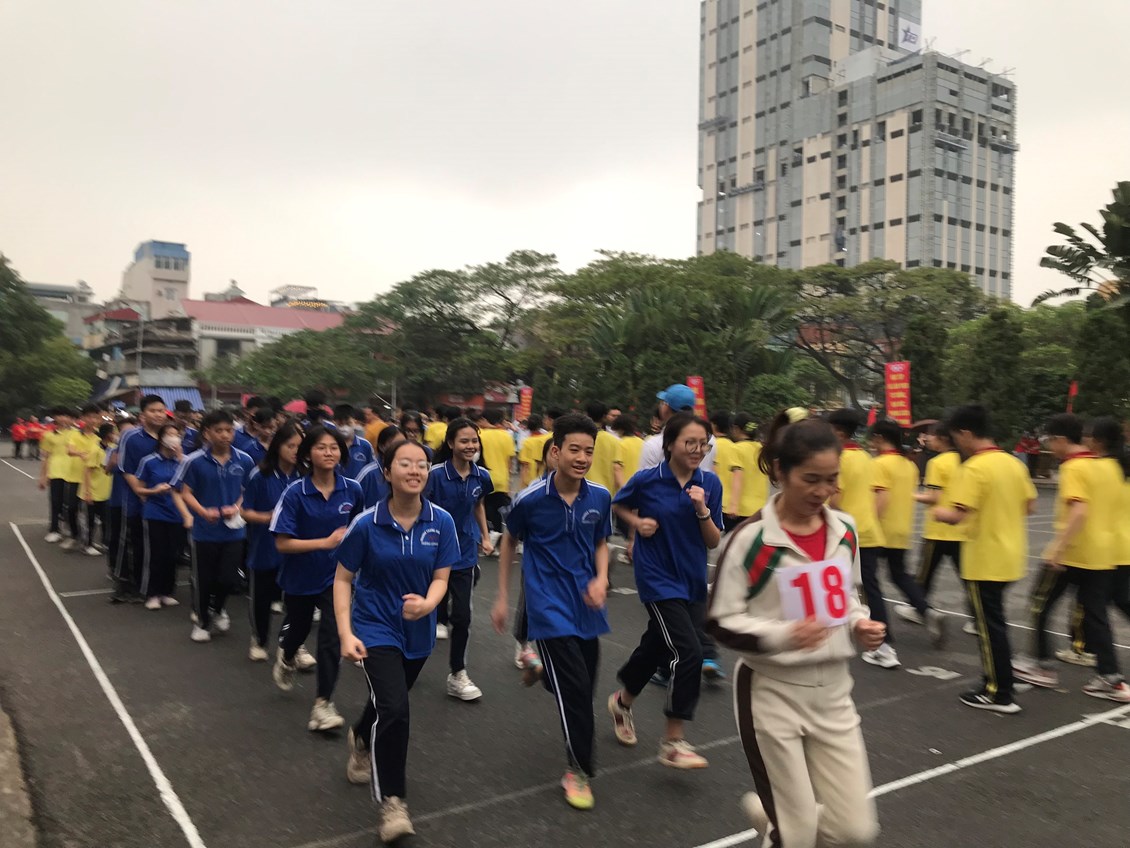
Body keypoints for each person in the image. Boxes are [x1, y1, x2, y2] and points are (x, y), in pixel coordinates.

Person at [707, 411, 884, 848]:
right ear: (781, 472)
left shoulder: (844, 530)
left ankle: (773, 821)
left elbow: (849, 595)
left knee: (855, 831)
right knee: (797, 833)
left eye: (832, 479)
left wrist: (859, 623)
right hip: (771, 693)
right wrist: (783, 635)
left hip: (835, 693)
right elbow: (720, 620)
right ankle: (783, 826)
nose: (823, 491)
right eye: (811, 479)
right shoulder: (749, 541)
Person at [333, 439, 458, 843]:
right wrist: (345, 632)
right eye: (405, 463)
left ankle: (360, 736)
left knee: (388, 701)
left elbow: (442, 577)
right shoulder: (366, 524)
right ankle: (393, 802)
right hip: (374, 627)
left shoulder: (441, 522)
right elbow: (343, 579)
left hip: (418, 629)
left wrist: (429, 604)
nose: (415, 470)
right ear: (386, 472)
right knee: (396, 708)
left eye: (422, 464)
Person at [490, 413, 612, 810]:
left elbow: (601, 542)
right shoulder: (530, 499)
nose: (582, 458)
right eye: (574, 449)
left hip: (586, 603)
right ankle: (578, 770)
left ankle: (543, 671)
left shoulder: (599, 497)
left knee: (585, 684)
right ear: (555, 452)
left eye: (588, 451)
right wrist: (503, 597)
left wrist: (602, 578)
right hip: (547, 604)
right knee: (575, 690)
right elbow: (509, 541)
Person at [607, 412, 722, 769]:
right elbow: (618, 504)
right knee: (689, 651)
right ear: (670, 444)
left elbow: (713, 540)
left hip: (691, 578)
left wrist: (702, 510)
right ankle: (673, 741)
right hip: (657, 577)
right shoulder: (647, 480)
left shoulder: (710, 483)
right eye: (690, 443)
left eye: (704, 444)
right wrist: (636, 523)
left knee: (657, 645)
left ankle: (622, 702)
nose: (698, 450)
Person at [1011, 414, 1129, 702]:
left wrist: (1058, 548)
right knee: (1095, 614)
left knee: (1039, 604)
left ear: (1061, 440)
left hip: (1074, 552)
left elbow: (1080, 510)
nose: (1049, 447)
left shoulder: (1076, 467)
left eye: (1049, 441)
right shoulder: (1112, 468)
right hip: (1102, 554)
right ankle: (1111, 678)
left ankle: (1042, 665)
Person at [934, 405, 1037, 713]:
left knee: (988, 628)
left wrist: (939, 511)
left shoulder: (975, 468)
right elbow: (1029, 506)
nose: (957, 444)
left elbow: (956, 514)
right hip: (1010, 554)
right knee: (995, 623)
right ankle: (1000, 682)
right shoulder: (1013, 463)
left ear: (966, 433)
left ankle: (998, 691)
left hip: (984, 558)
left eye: (956, 437)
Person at [270, 425, 363, 731]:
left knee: (331, 636)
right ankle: (287, 655)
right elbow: (282, 543)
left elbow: (359, 530)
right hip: (300, 575)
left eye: (334, 447)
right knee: (298, 628)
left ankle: (323, 704)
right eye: (321, 447)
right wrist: (324, 542)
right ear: (307, 454)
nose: (328, 452)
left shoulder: (353, 490)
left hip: (337, 577)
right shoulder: (295, 493)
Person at [426, 418, 495, 700]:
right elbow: (420, 508)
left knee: (463, 617)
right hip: (431, 553)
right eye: (464, 440)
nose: (470, 446)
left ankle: (457, 674)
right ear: (451, 443)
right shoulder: (434, 475)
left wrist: (485, 536)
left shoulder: (482, 476)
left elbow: (478, 505)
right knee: (418, 612)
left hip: (465, 553)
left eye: (474, 441)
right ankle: (396, 657)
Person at [173, 408, 256, 643]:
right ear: (207, 433)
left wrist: (237, 507)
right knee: (203, 579)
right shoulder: (194, 461)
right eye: (218, 430)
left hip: (234, 531)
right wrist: (202, 512)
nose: (225, 435)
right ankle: (202, 622)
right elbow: (184, 492)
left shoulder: (244, 459)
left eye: (229, 430)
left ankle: (218, 608)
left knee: (228, 579)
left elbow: (250, 491)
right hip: (204, 532)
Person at [828, 409, 896, 668]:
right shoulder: (867, 458)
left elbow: (835, 499)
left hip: (845, 533)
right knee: (866, 588)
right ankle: (880, 640)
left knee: (839, 584)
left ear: (838, 432)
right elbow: (880, 495)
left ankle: (884, 646)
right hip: (867, 531)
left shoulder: (839, 458)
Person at [869, 419, 945, 646]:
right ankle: (926, 609)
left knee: (866, 580)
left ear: (880, 438)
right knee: (899, 574)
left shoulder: (879, 464)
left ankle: (880, 633)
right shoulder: (908, 465)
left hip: (879, 530)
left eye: (872, 438)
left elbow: (881, 499)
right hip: (901, 529)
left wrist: (868, 522)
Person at [240, 421, 305, 663]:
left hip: (296, 549)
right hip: (265, 547)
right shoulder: (260, 475)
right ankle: (259, 639)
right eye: (290, 446)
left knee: (297, 601)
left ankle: (293, 644)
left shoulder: (304, 476)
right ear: (278, 446)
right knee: (262, 599)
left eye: (300, 446)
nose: (296, 451)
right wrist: (269, 518)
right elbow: (245, 511)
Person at [902, 424, 971, 632]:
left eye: (931, 436)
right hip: (962, 528)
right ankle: (978, 618)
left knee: (924, 574)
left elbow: (934, 497)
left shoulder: (938, 463)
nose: (927, 439)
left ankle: (919, 609)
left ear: (942, 439)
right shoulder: (967, 461)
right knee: (967, 578)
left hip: (939, 529)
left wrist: (907, 494)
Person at [117, 395, 169, 603]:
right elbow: (126, 469)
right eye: (153, 411)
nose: (158, 415)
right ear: (143, 414)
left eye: (161, 411)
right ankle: (128, 583)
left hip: (164, 505)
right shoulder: (131, 437)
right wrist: (142, 493)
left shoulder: (169, 436)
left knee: (160, 547)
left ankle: (157, 587)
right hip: (136, 501)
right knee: (134, 543)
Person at [136, 423, 190, 610]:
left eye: (177, 435)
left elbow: (189, 487)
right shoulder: (149, 461)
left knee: (172, 554)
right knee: (156, 554)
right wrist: (154, 490)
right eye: (170, 435)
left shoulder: (183, 461)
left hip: (177, 514)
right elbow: (139, 489)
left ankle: (167, 591)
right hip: (155, 513)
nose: (174, 438)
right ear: (161, 439)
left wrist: (181, 458)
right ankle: (152, 593)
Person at [639, 385, 715, 473]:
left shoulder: (653, 444)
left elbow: (645, 480)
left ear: (665, 409)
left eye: (663, 403)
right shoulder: (710, 440)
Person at [38, 407, 80, 548]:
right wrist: (43, 476)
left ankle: (69, 526)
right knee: (55, 501)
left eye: (66, 415)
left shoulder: (76, 433)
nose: (63, 418)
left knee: (71, 503)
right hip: (55, 471)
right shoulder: (48, 435)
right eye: (60, 415)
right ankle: (54, 529)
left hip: (73, 472)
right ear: (54, 417)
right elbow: (45, 457)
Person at [479, 407, 517, 550]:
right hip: (501, 478)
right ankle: (497, 537)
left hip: (484, 477)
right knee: (497, 509)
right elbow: (509, 460)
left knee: (484, 508)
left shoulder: (480, 435)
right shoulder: (506, 436)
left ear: (484, 420)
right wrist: (508, 479)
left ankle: (490, 538)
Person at [80, 422, 116, 557]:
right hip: (94, 491)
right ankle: (87, 545)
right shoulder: (95, 450)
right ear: (107, 434)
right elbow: (87, 471)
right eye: (113, 432)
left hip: (106, 491)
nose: (115, 435)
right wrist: (88, 492)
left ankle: (105, 543)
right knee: (90, 520)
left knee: (106, 520)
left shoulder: (113, 448)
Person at [730, 413, 769, 523]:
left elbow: (737, 477)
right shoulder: (762, 450)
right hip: (760, 509)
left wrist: (733, 505)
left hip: (741, 510)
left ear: (736, 428)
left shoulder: (735, 449)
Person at [355, 426, 405, 509]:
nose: (400, 448)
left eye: (403, 444)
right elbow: (353, 498)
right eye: (395, 444)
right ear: (382, 446)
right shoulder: (369, 473)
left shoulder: (409, 471)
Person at [710, 411, 744, 532]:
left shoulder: (710, 445)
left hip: (711, 502)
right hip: (727, 504)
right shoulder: (733, 447)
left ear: (713, 426)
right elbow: (738, 473)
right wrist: (734, 504)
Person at [584, 401, 620, 494]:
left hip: (584, 491)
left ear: (586, 415)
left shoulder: (578, 440)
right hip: (607, 493)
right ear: (604, 417)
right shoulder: (615, 441)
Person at [334, 404, 375, 479]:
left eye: (348, 423)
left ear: (355, 422)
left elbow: (372, 470)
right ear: (335, 423)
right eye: (340, 424)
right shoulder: (330, 445)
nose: (344, 427)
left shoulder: (365, 445)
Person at [519, 414, 551, 486]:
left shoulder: (526, 442)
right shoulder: (548, 438)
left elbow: (525, 465)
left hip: (530, 480)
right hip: (544, 478)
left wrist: (522, 484)